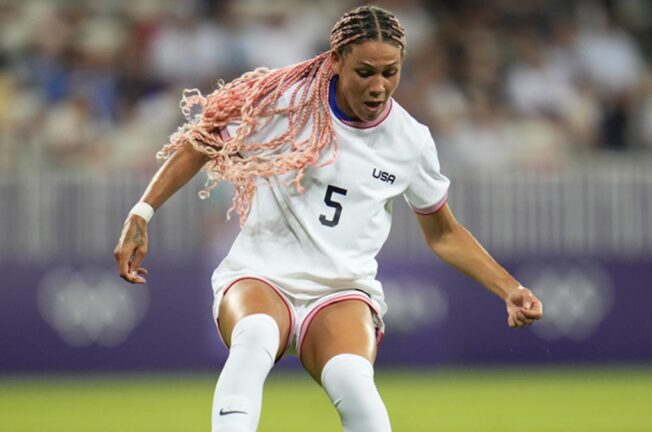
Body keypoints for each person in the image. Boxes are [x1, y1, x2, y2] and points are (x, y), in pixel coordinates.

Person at [113, 5, 543, 432]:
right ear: (336, 61)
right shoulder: (285, 102)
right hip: (261, 274)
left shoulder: (409, 141)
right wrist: (142, 212)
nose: (379, 87)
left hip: (342, 288)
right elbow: (199, 142)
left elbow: (445, 233)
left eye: (390, 72)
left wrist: (510, 288)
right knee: (256, 336)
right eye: (365, 72)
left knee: (353, 385)